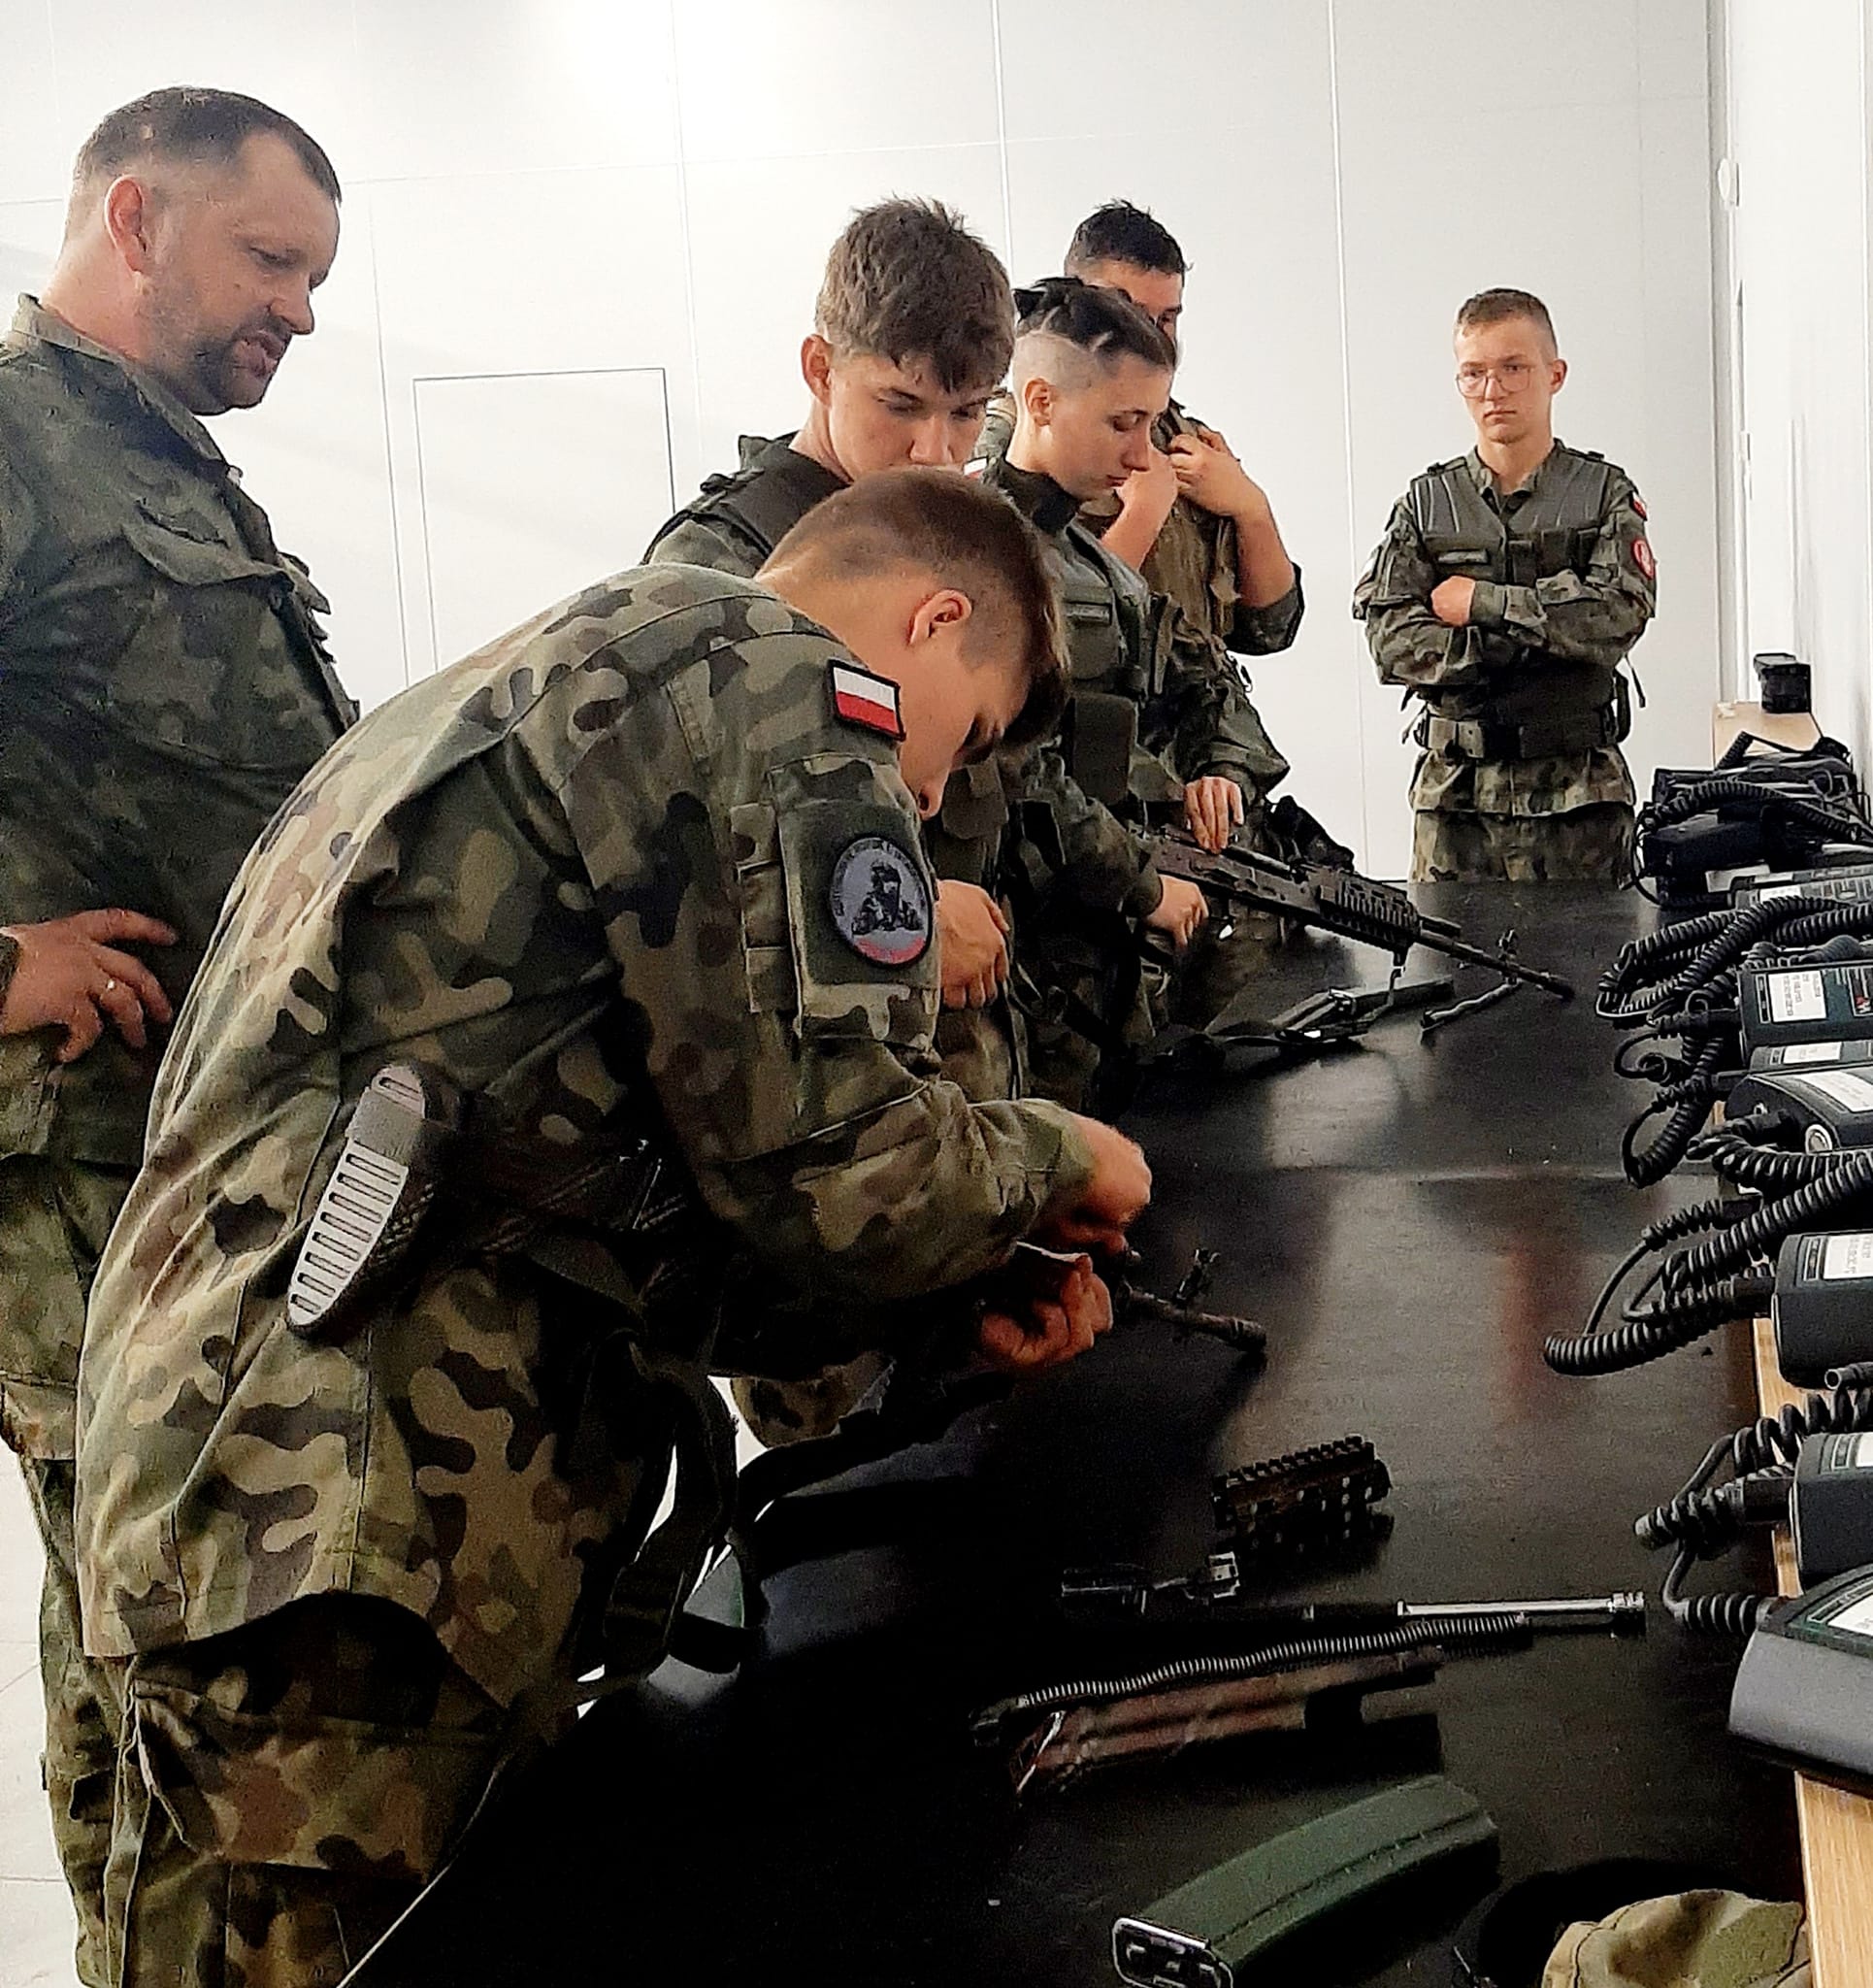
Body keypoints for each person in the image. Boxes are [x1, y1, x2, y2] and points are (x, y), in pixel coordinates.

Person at [76, 470, 1154, 1985]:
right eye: (962, 736)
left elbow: (641, 1192)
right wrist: (1057, 1158)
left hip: (283, 1488)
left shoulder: (556, 670)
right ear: (932, 619)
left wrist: (946, 1299)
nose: (926, 799)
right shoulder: (779, 680)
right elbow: (841, 1177)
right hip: (353, 1515)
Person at [0, 86, 352, 1983]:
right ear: (135, 221)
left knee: (181, 1614)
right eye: (270, 259)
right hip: (86, 1162)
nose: (297, 308)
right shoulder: (15, 438)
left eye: (316, 280)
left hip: (210, 1157)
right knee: (161, 1626)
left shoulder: (167, 462)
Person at [645, 199, 1020, 1038]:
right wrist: (919, 917)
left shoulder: (942, 537)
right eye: (901, 404)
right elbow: (690, 855)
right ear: (821, 370)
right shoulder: (720, 563)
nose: (935, 450)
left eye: (967, 414)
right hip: (821, 1049)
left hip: (957, 1035)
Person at [980, 276, 1275, 1103]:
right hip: (1028, 955)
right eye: (1124, 423)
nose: (1144, 455)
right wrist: (1141, 883)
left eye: (1151, 424)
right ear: (1040, 401)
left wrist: (1222, 771)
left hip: (1110, 946)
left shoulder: (1099, 570)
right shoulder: (977, 555)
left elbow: (1211, 679)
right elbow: (1015, 765)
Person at [1354, 287, 1656, 882]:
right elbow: (1390, 641)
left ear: (1555, 375)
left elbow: (1618, 615)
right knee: (1445, 946)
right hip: (1456, 803)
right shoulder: (1428, 505)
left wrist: (1484, 603)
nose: (1493, 390)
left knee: (1596, 945)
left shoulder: (1602, 495)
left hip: (1579, 798)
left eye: (1514, 368)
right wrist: (1519, 642)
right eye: (1474, 373)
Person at [1062, 199, 1303, 677]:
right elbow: (1045, 641)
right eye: (1129, 313)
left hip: (1198, 715)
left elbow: (1270, 627)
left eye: (1167, 319)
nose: (1153, 337)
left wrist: (1250, 508)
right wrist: (1143, 513)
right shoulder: (1021, 439)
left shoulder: (1183, 438)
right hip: (1098, 718)